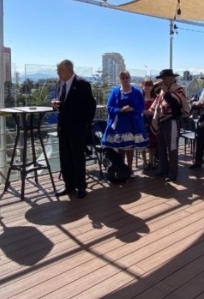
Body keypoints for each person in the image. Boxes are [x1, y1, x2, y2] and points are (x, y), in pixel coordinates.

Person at [52, 59, 96, 199]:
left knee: (77, 157)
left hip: (78, 128)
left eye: (60, 70)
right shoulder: (59, 83)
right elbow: (60, 100)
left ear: (69, 70)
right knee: (65, 157)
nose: (57, 73)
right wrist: (54, 104)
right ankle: (68, 185)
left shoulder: (82, 84)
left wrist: (85, 125)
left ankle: (81, 186)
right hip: (63, 127)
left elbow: (91, 106)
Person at [102, 71, 148, 174]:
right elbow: (109, 107)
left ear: (130, 78)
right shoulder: (115, 91)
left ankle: (130, 169)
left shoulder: (137, 92)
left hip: (133, 123)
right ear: (120, 79)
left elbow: (141, 106)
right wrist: (120, 110)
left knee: (130, 148)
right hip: (120, 124)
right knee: (121, 148)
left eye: (127, 77)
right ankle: (121, 169)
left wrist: (132, 109)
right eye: (123, 78)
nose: (125, 79)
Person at [150, 69, 189, 182]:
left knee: (172, 148)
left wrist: (166, 91)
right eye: (162, 78)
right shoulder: (162, 91)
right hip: (162, 121)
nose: (163, 80)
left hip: (172, 121)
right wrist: (158, 88)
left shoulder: (178, 90)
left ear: (172, 78)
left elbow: (174, 102)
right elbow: (153, 95)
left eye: (166, 78)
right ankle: (163, 169)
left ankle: (173, 173)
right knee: (161, 147)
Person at [141, 78, 158, 170]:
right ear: (142, 86)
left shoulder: (155, 97)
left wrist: (148, 112)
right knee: (143, 142)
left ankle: (151, 160)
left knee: (153, 142)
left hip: (153, 121)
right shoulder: (140, 97)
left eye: (149, 85)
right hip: (142, 122)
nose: (147, 87)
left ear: (152, 87)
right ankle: (144, 161)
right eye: (145, 85)